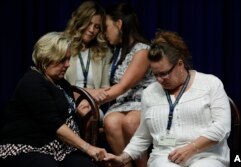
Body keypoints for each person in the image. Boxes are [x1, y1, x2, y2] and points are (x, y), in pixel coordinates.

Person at [104, 30, 231, 167]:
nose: (160, 80)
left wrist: (191, 148)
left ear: (180, 65)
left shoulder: (210, 84)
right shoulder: (150, 93)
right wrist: (123, 158)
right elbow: (142, 137)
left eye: (164, 73)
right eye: (155, 74)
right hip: (165, 158)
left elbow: (222, 127)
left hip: (207, 155)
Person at [0, 32, 108, 167]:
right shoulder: (32, 82)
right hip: (27, 147)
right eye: (63, 60)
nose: (68, 64)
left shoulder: (62, 83)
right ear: (47, 58)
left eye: (68, 59)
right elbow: (54, 124)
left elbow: (66, 116)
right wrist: (88, 148)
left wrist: (78, 114)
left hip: (60, 149)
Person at [97, 2, 155, 167]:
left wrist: (95, 100)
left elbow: (122, 86)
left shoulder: (142, 50)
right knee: (111, 121)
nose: (104, 33)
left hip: (141, 102)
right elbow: (115, 88)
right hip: (122, 103)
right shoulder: (117, 52)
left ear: (119, 24)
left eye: (106, 27)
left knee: (130, 122)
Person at [64, 1, 112, 108]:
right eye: (89, 23)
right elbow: (58, 87)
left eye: (97, 26)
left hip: (93, 105)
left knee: (89, 114)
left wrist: (90, 102)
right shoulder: (62, 46)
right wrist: (89, 92)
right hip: (67, 103)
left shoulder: (104, 52)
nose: (91, 30)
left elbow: (105, 88)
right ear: (80, 21)